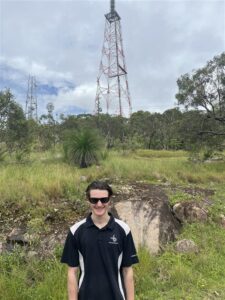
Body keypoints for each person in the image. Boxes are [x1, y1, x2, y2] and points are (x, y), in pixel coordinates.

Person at [61, 180, 139, 300]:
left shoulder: (123, 230)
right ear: (88, 200)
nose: (99, 204)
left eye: (103, 199)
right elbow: (72, 272)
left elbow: (127, 271)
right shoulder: (75, 231)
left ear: (110, 200)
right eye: (94, 200)